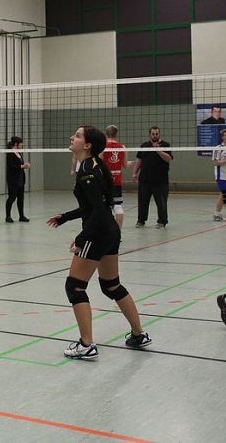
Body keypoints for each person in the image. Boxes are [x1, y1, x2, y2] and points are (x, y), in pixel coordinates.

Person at [46, 125, 152, 360]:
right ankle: (138, 334)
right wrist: (65, 217)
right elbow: (95, 206)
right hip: (109, 231)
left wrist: (82, 238)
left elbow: (97, 211)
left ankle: (86, 344)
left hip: (98, 231)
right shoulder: (91, 165)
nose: (72, 137)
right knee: (111, 285)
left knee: (74, 287)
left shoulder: (87, 171)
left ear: (87, 145)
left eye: (77, 135)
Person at [132, 126, 173, 228]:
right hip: (145, 180)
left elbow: (168, 159)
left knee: (161, 203)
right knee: (142, 202)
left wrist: (159, 151)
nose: (155, 136)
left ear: (159, 134)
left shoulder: (165, 145)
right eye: (153, 134)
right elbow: (139, 160)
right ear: (150, 134)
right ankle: (141, 220)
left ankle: (162, 221)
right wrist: (134, 173)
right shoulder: (144, 145)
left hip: (160, 180)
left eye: (156, 134)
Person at [100, 125, 132, 229]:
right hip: (117, 181)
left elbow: (98, 162)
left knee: (102, 207)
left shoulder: (102, 147)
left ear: (106, 134)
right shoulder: (122, 147)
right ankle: (117, 233)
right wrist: (130, 163)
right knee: (118, 207)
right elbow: (125, 165)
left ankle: (104, 232)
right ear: (116, 134)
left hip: (105, 180)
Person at [4, 135, 30, 223]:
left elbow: (20, 166)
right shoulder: (10, 153)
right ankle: (8, 216)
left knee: (21, 198)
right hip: (12, 179)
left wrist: (25, 166)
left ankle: (21, 216)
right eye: (21, 143)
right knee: (12, 197)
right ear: (16, 144)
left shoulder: (19, 153)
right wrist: (23, 166)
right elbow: (12, 167)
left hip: (20, 179)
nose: (22, 145)